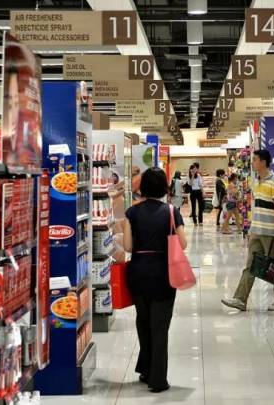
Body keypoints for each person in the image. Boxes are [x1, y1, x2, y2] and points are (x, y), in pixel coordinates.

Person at [122, 168, 187, 393]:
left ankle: (146, 369)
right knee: (160, 327)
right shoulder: (171, 211)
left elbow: (128, 247)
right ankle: (157, 379)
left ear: (143, 187)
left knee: (143, 322)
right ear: (164, 187)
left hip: (138, 272)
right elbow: (183, 244)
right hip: (163, 274)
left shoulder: (131, 212)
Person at [222, 149, 274, 312]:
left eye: (255, 159)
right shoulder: (255, 180)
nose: (253, 163)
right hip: (256, 230)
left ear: (263, 162)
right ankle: (240, 299)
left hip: (271, 232)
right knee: (250, 265)